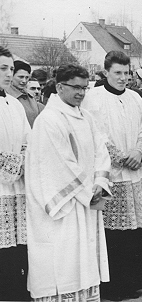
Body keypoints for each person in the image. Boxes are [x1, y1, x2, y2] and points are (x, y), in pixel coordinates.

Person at [26, 63, 111, 301]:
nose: (82, 93)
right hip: (63, 205)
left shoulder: (86, 117)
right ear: (60, 87)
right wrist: (88, 190)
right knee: (63, 262)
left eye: (85, 88)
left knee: (82, 263)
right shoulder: (50, 120)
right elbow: (58, 164)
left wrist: (100, 182)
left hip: (85, 199)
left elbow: (100, 150)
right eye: (76, 88)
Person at [81, 50, 142, 300]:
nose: (123, 78)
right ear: (106, 72)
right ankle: (113, 286)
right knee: (113, 233)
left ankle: (134, 281)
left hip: (135, 173)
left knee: (134, 231)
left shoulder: (135, 98)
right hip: (112, 174)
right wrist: (122, 157)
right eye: (118, 73)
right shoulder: (93, 98)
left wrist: (139, 152)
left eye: (127, 73)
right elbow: (97, 135)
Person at [0, 46, 31, 301]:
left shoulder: (14, 104)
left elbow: (26, 141)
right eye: (3, 68)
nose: (9, 74)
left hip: (17, 187)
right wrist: (14, 164)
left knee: (17, 245)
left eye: (11, 68)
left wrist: (22, 161)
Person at [6, 60, 44, 127]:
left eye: (27, 77)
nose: (24, 81)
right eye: (21, 77)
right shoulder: (5, 96)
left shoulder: (30, 97)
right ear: (11, 76)